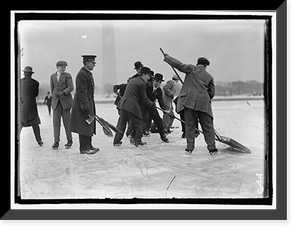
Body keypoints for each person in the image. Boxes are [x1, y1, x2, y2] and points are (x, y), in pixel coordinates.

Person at [163, 54, 218, 155]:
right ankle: (212, 148)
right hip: (204, 103)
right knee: (207, 126)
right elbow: (211, 93)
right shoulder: (209, 77)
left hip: (189, 102)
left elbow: (179, 65)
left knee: (190, 125)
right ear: (206, 66)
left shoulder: (191, 69)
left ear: (197, 64)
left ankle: (189, 148)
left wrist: (167, 58)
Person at [113, 66, 156, 147]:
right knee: (139, 122)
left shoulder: (133, 80)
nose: (149, 78)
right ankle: (138, 141)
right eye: (148, 75)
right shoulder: (142, 83)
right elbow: (144, 98)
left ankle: (116, 141)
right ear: (144, 74)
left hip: (123, 104)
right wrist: (151, 104)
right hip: (132, 105)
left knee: (122, 124)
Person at [70, 55, 99, 154]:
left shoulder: (87, 73)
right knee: (84, 125)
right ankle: (84, 148)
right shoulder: (82, 74)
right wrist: (85, 107)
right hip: (83, 103)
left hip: (88, 102)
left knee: (89, 124)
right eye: (93, 63)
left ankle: (89, 145)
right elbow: (82, 92)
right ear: (87, 62)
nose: (94, 64)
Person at [50, 61, 74, 149]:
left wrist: (63, 92)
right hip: (56, 103)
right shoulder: (52, 76)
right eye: (62, 67)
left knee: (67, 122)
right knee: (56, 123)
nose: (64, 68)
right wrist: (54, 96)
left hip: (65, 102)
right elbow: (52, 89)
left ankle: (69, 140)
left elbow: (71, 87)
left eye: (65, 67)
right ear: (57, 67)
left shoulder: (68, 75)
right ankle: (56, 141)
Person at [19, 66, 43, 146]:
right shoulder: (35, 83)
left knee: (20, 123)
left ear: (24, 73)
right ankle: (39, 140)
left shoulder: (19, 82)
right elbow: (36, 94)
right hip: (32, 106)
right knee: (35, 124)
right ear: (31, 74)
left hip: (22, 105)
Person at [144, 73, 169, 143]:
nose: (158, 84)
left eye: (160, 82)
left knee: (158, 120)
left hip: (151, 106)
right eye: (157, 81)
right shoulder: (147, 86)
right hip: (142, 105)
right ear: (153, 80)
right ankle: (135, 136)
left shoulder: (159, 91)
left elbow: (161, 102)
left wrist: (166, 109)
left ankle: (163, 135)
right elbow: (143, 96)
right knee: (140, 119)